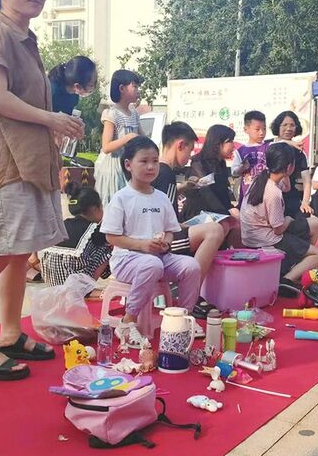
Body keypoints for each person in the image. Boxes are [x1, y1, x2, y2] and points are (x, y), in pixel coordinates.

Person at [0, 0, 85, 381]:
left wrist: (54, 127)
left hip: (26, 165)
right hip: (0, 168)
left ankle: (10, 333)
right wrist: (51, 118)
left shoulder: (24, 39)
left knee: (18, 257)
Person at [102, 136, 201, 349]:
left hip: (159, 258)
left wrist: (165, 242)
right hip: (126, 260)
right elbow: (111, 237)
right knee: (151, 264)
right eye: (144, 161)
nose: (151, 166)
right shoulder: (121, 198)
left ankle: (183, 318)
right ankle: (127, 322)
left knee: (192, 266)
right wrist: (142, 245)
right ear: (128, 164)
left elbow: (170, 231)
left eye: (155, 161)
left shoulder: (161, 198)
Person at [153, 121, 227, 317]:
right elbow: (165, 221)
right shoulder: (166, 173)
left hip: (158, 235)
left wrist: (184, 187)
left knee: (212, 225)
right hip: (161, 241)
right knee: (215, 230)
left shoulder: (159, 171)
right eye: (189, 150)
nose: (188, 158)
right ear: (180, 145)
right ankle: (191, 294)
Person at [240, 142, 318, 297]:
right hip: (267, 238)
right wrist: (289, 219)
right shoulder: (273, 192)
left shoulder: (261, 178)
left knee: (316, 224)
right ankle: (286, 280)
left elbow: (287, 188)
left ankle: (296, 266)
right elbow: (278, 228)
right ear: (290, 167)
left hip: (255, 234)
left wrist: (285, 177)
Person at [32, 185, 113, 292]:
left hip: (51, 281)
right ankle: (87, 290)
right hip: (74, 285)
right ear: (95, 209)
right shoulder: (94, 229)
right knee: (108, 248)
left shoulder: (64, 224)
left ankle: (84, 288)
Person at [270, 111, 318, 245]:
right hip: (271, 196)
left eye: (292, 125)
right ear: (278, 126)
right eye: (284, 125)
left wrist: (305, 202)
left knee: (313, 223)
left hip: (291, 197)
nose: (288, 128)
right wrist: (289, 143)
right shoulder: (270, 146)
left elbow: (306, 180)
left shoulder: (300, 152)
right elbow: (275, 146)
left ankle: (304, 253)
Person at [95, 69, 144, 204]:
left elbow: (143, 138)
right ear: (121, 88)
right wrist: (127, 138)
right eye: (134, 86)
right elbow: (106, 147)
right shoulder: (112, 114)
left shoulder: (134, 113)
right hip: (114, 169)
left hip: (130, 167)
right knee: (115, 206)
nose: (137, 90)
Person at [183, 124, 238, 221]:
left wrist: (230, 209)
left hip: (218, 213)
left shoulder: (221, 163)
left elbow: (223, 191)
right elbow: (207, 193)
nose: (233, 145)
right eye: (229, 141)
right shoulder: (199, 163)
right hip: (199, 214)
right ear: (217, 143)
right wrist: (227, 212)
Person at [231, 110, 268, 206]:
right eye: (257, 129)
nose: (262, 132)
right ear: (246, 129)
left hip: (266, 194)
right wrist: (242, 168)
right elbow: (234, 172)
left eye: (264, 129)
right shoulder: (240, 151)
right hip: (247, 195)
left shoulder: (270, 147)